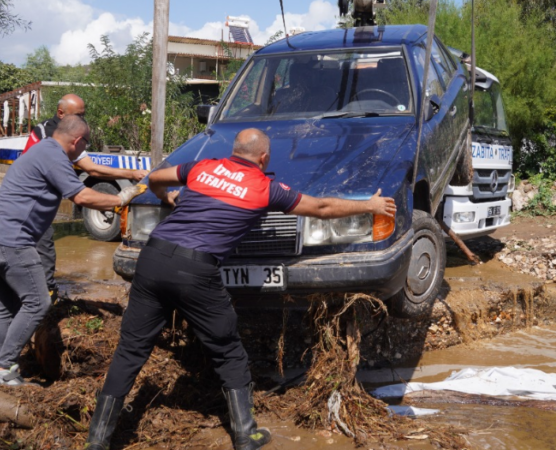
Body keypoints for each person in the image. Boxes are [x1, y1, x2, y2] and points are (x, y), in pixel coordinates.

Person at [84, 128, 397, 450]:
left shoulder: (202, 167)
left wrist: (169, 199)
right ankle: (246, 436)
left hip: (153, 257)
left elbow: (154, 178)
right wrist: (369, 206)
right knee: (227, 350)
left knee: (131, 350)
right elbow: (320, 208)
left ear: (234, 150)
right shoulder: (264, 187)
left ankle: (97, 441)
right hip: (195, 270)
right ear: (264, 158)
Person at [0, 115, 142, 387]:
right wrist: (121, 199)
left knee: (6, 308)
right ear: (77, 141)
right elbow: (82, 196)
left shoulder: (43, 149)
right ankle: (3, 367)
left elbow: (90, 175)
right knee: (38, 302)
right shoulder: (54, 157)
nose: (84, 149)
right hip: (13, 241)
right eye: (86, 144)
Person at [0, 93, 147, 321]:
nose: (83, 119)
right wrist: (122, 193)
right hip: (28, 209)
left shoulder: (62, 132)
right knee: (41, 258)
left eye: (83, 115)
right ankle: (43, 312)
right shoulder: (51, 133)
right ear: (61, 114)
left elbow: (91, 168)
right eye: (79, 115)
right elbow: (87, 179)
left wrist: (131, 173)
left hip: (31, 208)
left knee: (7, 260)